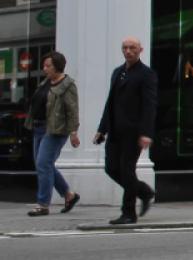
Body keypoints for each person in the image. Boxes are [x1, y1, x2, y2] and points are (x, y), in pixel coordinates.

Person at [93, 37, 158, 225]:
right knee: (111, 168)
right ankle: (143, 192)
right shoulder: (117, 73)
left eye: (132, 48)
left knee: (126, 170)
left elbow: (149, 105)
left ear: (140, 50)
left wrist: (146, 132)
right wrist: (102, 129)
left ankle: (129, 213)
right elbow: (110, 102)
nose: (128, 51)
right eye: (125, 48)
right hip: (115, 130)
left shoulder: (146, 74)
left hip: (133, 131)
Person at [23, 52, 82, 216]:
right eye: (44, 66)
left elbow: (72, 110)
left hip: (55, 130)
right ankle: (69, 195)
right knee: (43, 164)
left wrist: (73, 132)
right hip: (39, 128)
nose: (45, 69)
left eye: (48, 66)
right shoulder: (45, 83)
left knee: (43, 163)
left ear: (58, 66)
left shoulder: (67, 84)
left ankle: (43, 204)